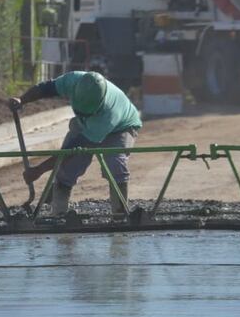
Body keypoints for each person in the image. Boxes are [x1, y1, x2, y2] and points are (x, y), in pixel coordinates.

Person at [9, 70, 142, 216]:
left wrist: (39, 170)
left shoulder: (108, 114)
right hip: (84, 124)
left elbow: (75, 148)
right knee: (68, 167)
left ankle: (120, 213)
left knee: (115, 163)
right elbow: (45, 89)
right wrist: (22, 99)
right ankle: (58, 214)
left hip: (121, 127)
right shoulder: (73, 80)